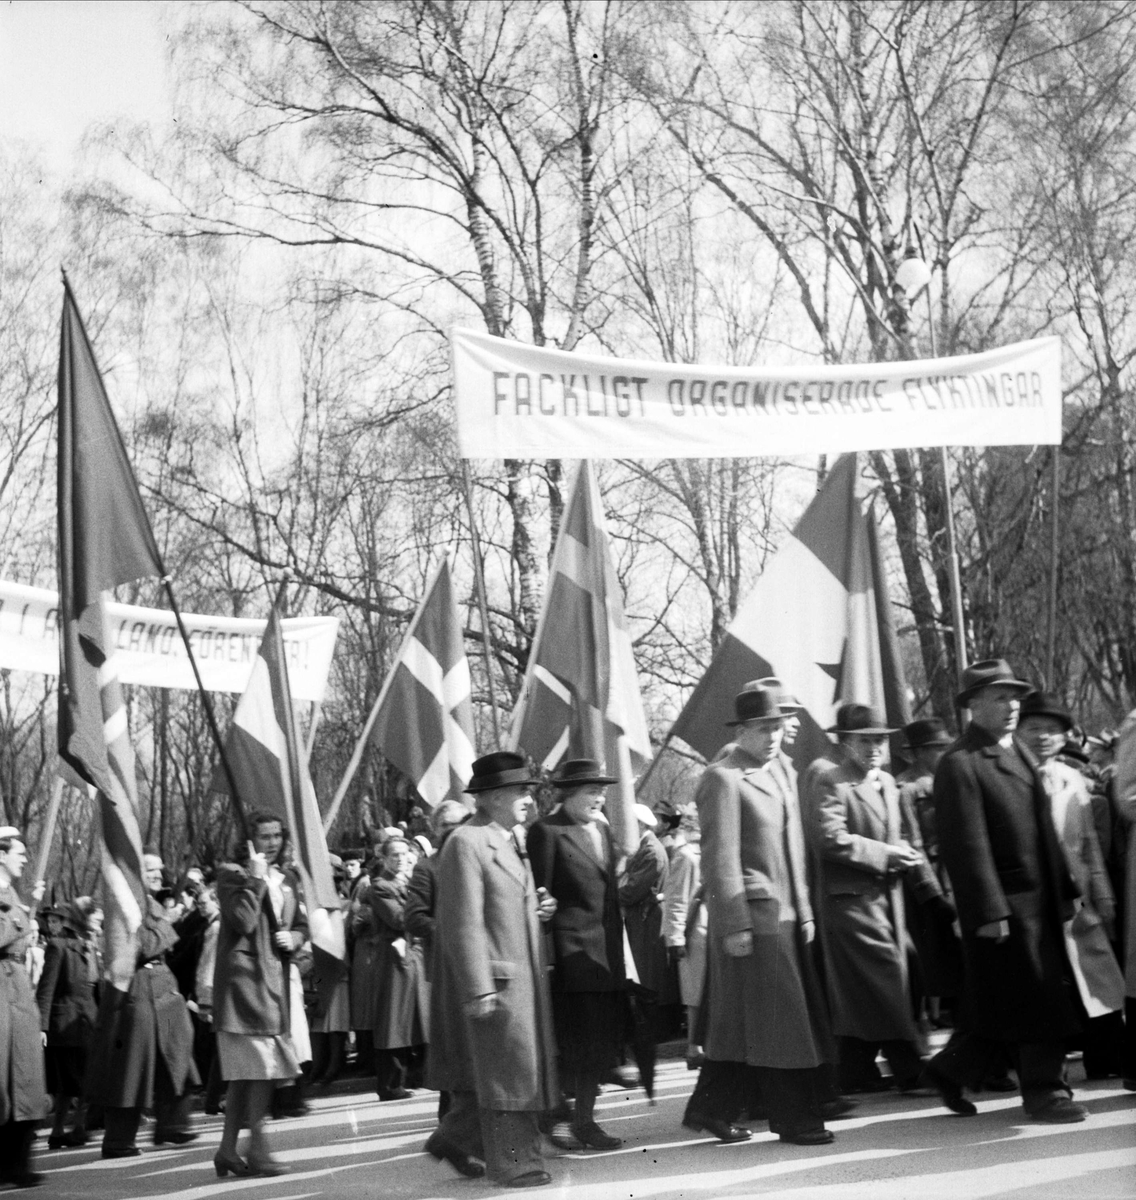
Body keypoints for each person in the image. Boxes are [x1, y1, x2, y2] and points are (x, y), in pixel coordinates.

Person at [922, 659, 1087, 1122]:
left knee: (1001, 1001)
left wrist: (1067, 887)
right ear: (972, 705)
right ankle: (1045, 1092)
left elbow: (1043, 832)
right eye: (999, 696)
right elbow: (966, 847)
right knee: (1036, 998)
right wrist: (988, 910)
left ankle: (950, 1071)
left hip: (1041, 900)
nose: (1012, 705)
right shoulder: (960, 763)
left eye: (1015, 696)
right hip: (1007, 906)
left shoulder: (1016, 752)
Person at [685, 683, 835, 1146]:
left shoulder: (778, 773)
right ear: (742, 730)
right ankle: (794, 1119)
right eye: (760, 728)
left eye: (776, 726)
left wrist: (806, 911)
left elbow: (794, 853)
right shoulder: (723, 778)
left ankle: (710, 1109)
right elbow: (719, 858)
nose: (771, 736)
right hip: (754, 919)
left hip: (787, 916)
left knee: (742, 1022)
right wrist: (733, 924)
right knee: (780, 1021)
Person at [426, 751, 559, 1188]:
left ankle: (455, 1137)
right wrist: (478, 987)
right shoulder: (466, 842)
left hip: (522, 976)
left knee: (513, 1067)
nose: (528, 798)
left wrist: (536, 908)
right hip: (498, 980)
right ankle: (515, 1163)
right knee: (508, 1073)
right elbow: (462, 921)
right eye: (520, 791)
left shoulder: (507, 838)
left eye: (528, 790)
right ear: (489, 797)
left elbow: (502, 904)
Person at [803, 703, 946, 1094]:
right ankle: (909, 1068)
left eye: (880, 740)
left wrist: (901, 850)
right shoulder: (829, 777)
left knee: (874, 986)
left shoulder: (883, 780)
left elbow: (887, 833)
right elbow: (828, 838)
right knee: (887, 980)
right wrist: (887, 854)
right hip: (851, 904)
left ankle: (852, 1070)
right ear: (845, 742)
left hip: (888, 901)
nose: (873, 749)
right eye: (864, 741)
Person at [1018, 692, 1125, 1078]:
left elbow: (1090, 844)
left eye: (1052, 730)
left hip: (1079, 899)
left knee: (1098, 976)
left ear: (1065, 737)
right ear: (1017, 733)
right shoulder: (1011, 776)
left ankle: (1106, 1058)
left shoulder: (1071, 777)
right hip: (1036, 900)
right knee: (1045, 986)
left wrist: (1102, 892)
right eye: (1033, 729)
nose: (1043, 737)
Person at [528, 758, 627, 1151]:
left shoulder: (602, 829)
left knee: (599, 1043)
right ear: (567, 794)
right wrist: (550, 959)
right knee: (575, 1045)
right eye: (591, 791)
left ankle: (584, 1120)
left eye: (602, 791)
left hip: (606, 955)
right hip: (570, 957)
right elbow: (540, 896)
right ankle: (561, 1119)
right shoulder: (546, 831)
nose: (599, 798)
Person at [213, 813, 309, 1178]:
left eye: (276, 835)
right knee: (262, 1070)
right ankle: (258, 1149)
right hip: (244, 988)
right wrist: (254, 878)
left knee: (247, 1075)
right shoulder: (231, 875)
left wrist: (295, 938)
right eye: (263, 836)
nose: (271, 842)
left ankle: (226, 1151)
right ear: (248, 840)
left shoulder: (288, 878)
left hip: (275, 985)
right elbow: (243, 921)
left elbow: (299, 923)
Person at [86, 852, 199, 1158]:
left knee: (177, 1056)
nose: (158, 874)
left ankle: (173, 1124)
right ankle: (119, 1139)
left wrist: (163, 919)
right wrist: (169, 922)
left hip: (163, 988)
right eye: (151, 869)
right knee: (132, 1067)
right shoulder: (122, 903)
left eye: (160, 868)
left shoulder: (149, 902)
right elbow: (146, 946)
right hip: (137, 989)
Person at [0, 827, 48, 1188]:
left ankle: (18, 1161)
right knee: (5, 1077)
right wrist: (22, 913)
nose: (25, 857)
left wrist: (25, 904)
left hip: (17, 987)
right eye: (18, 851)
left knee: (25, 1078)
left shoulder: (9, 894)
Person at [369, 836, 429, 1101]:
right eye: (394, 855)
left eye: (405, 853)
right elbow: (398, 918)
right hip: (396, 957)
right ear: (384, 858)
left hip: (416, 954)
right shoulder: (381, 886)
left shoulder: (410, 881)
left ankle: (417, 1074)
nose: (401, 859)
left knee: (417, 1019)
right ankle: (391, 1083)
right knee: (394, 1022)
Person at [36, 897, 99, 1148]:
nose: (99, 920)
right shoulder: (58, 945)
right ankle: (73, 1128)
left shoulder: (92, 944)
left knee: (77, 1080)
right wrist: (42, 1026)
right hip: (66, 1023)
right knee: (74, 1081)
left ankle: (62, 1130)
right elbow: (46, 988)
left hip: (89, 1020)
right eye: (94, 916)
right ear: (82, 919)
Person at [662, 804, 707, 1069]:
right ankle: (694, 1047)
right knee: (696, 993)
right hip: (695, 931)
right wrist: (675, 937)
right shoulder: (687, 856)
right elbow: (677, 899)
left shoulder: (707, 852)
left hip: (709, 928)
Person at [620, 802, 674, 1010]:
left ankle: (652, 1027)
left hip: (646, 919)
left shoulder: (651, 852)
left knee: (647, 974)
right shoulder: (647, 849)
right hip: (643, 917)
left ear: (639, 825)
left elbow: (632, 891)